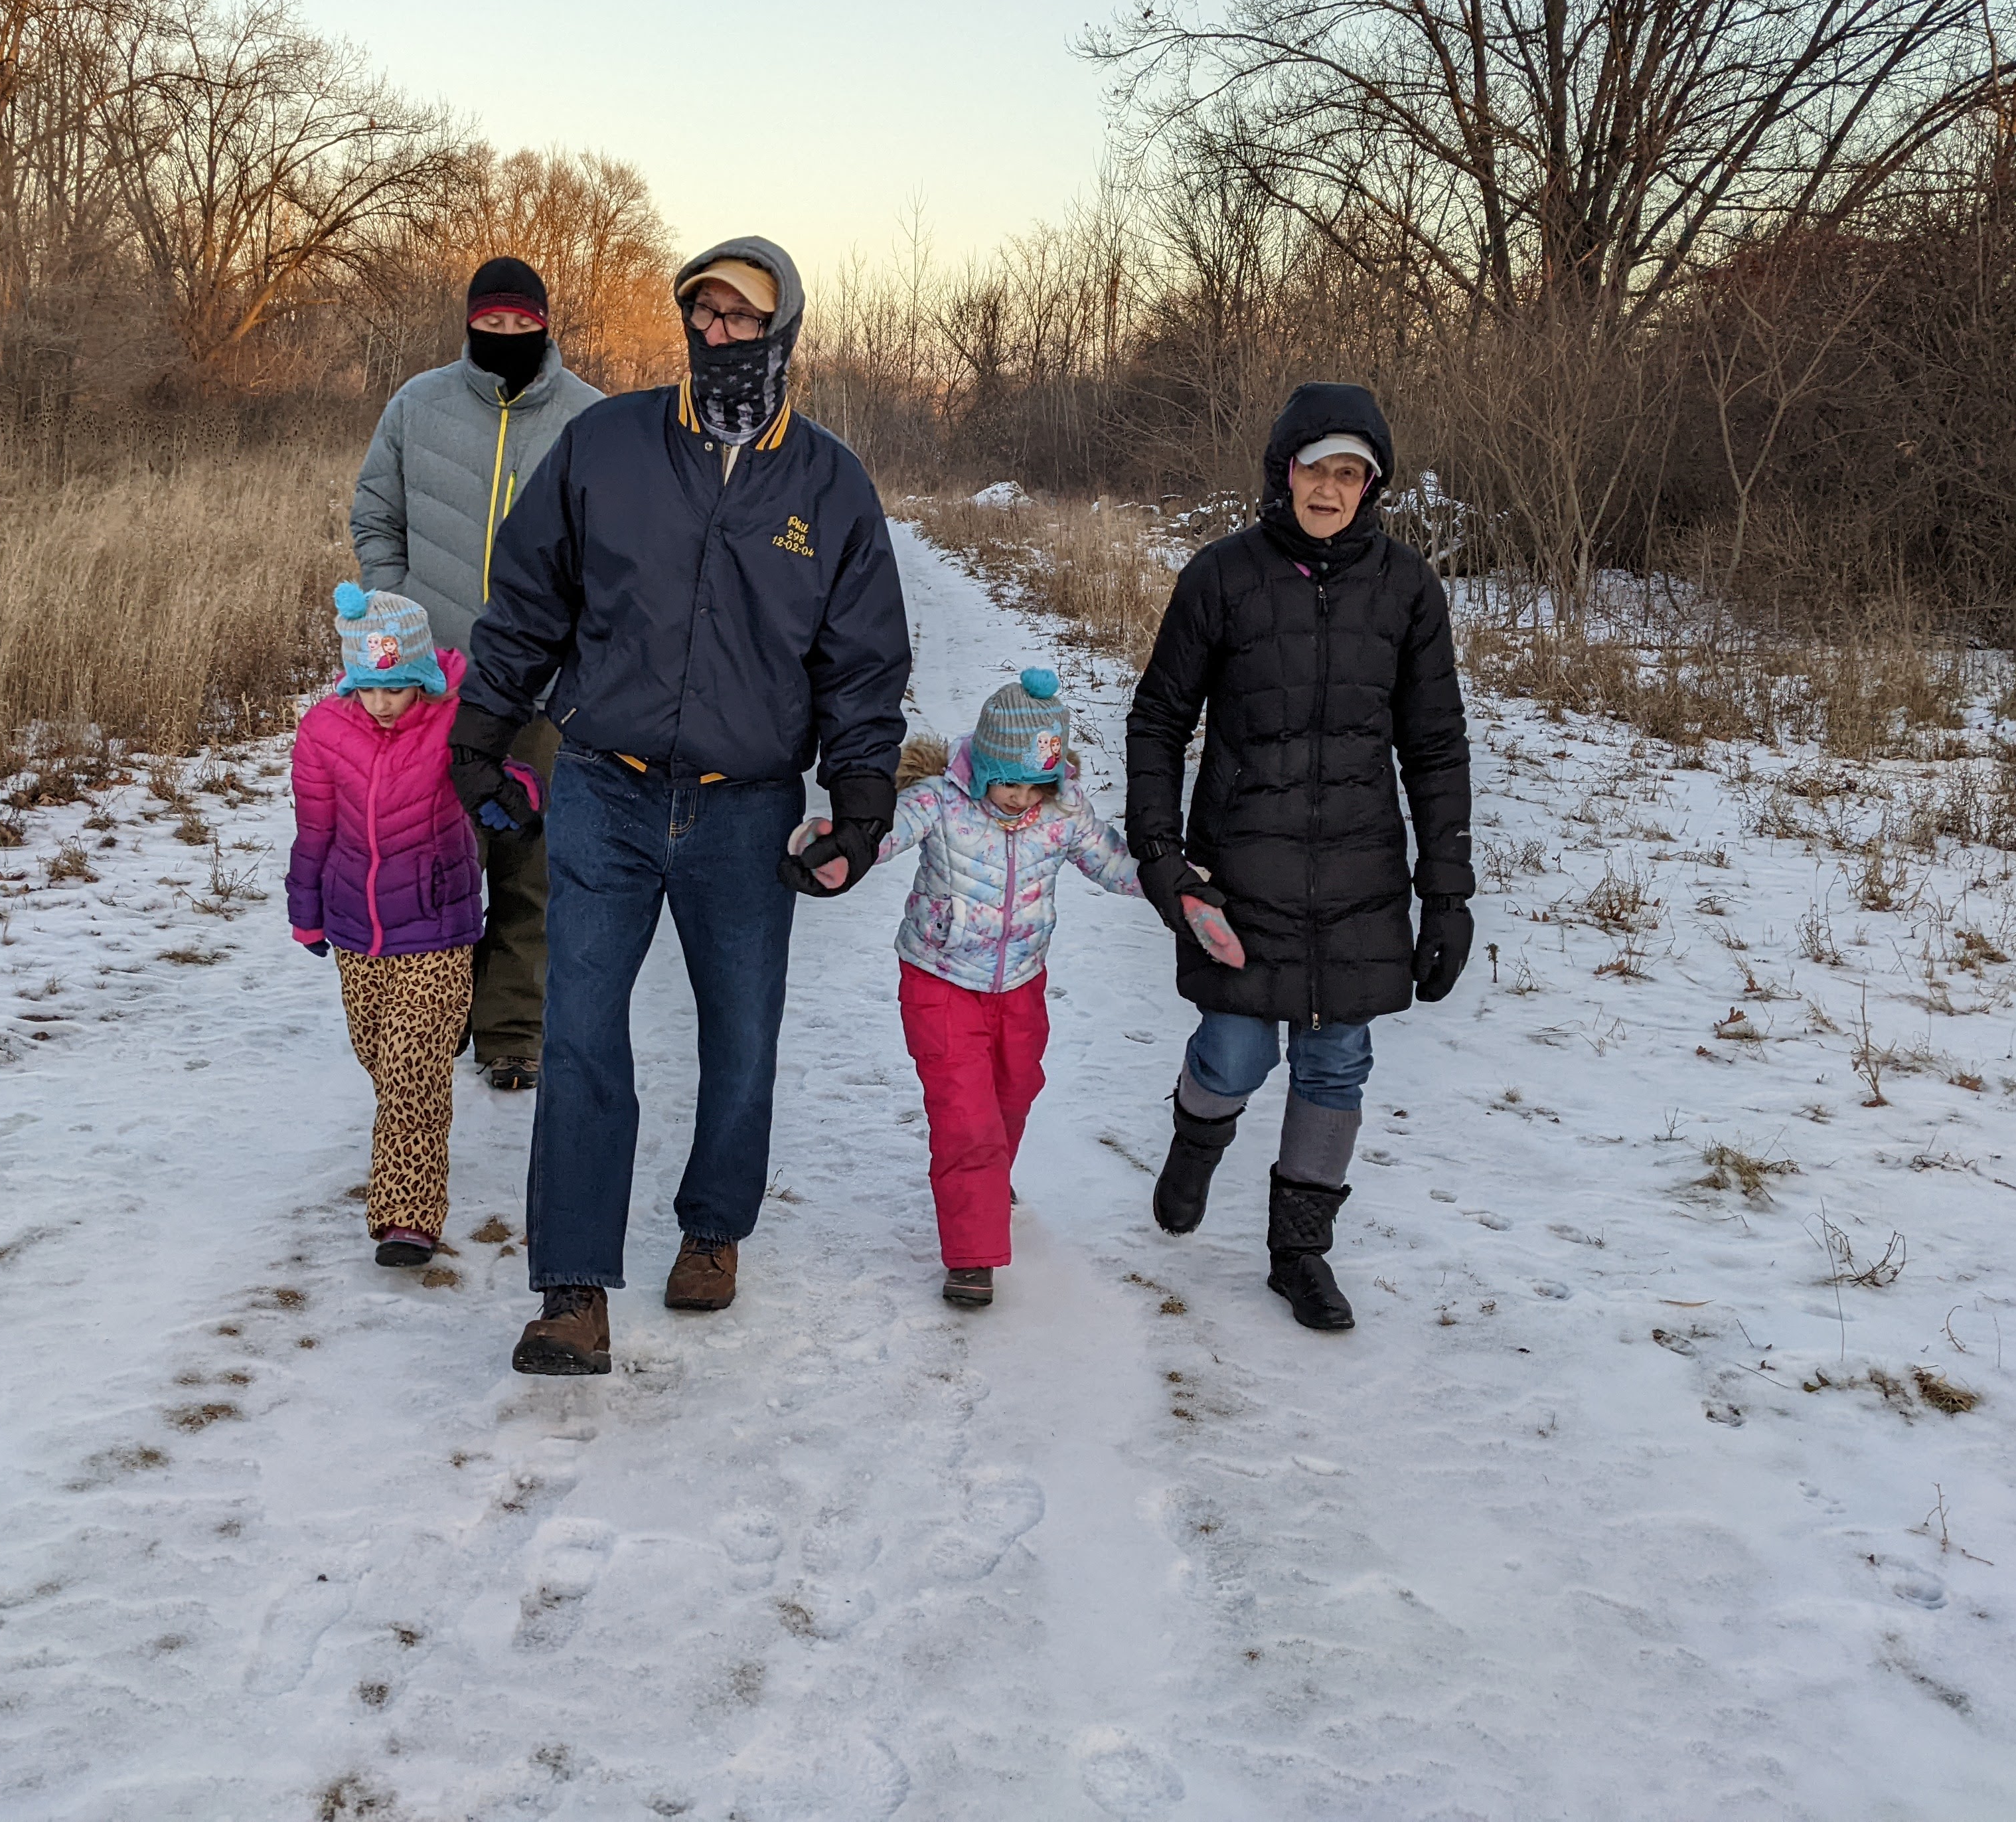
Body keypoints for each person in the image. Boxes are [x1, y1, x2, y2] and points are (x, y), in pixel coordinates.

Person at [454, 237, 913, 1376]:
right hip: (603, 787)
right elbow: (527, 600)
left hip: (745, 806)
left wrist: (860, 805)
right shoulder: (605, 446)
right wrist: (480, 734)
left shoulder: (830, 486)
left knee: (742, 1035)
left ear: (783, 330)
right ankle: (572, 1290)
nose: (719, 334)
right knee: (579, 1032)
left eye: (742, 318)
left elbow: (861, 665)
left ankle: (713, 1225)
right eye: (704, 314)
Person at [1125, 383, 1474, 1331]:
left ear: (1372, 486)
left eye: (1351, 473)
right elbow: (1159, 719)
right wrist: (1161, 856)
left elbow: (1435, 746)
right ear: (1285, 472)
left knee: (1336, 1062)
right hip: (1243, 870)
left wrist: (1447, 893)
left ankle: (1300, 1253)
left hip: (1362, 876)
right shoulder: (1222, 577)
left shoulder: (1408, 589)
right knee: (1235, 1052)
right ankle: (1198, 1135)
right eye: (1317, 467)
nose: (1330, 488)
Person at [350, 257, 602, 1092]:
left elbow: (614, 551)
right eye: (491, 323)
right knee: (437, 862)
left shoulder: (590, 419)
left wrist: (581, 646)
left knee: (531, 864)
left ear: (545, 325)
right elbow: (376, 515)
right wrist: (399, 611)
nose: (506, 335)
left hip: (541, 690)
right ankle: (437, 1014)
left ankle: (512, 1031)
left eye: (520, 324)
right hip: (435, 686)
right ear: (469, 323)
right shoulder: (417, 405)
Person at [850, 669, 1144, 1307]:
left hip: (1020, 983)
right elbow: (880, 835)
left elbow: (1112, 862)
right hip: (939, 979)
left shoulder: (1061, 811)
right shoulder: (940, 801)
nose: (1020, 798)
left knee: (1015, 1090)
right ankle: (972, 1255)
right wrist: (835, 850)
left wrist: (1177, 881)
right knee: (966, 1117)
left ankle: (985, 1182)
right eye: (1009, 782)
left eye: (1036, 785)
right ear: (985, 765)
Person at [285, 584, 534, 1268]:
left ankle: (407, 1216)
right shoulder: (323, 732)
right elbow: (314, 832)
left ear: (422, 676)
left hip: (437, 926)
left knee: (410, 1073)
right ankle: (412, 1122)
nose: (381, 703)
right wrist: (306, 912)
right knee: (380, 1056)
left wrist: (518, 796)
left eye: (395, 689)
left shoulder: (456, 723)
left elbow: (504, 775)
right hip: (355, 930)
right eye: (367, 688)